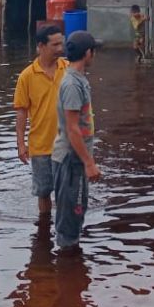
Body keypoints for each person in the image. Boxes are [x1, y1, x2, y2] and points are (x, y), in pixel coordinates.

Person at [52, 30, 104, 251]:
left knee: (77, 210)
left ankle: (71, 271)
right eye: (94, 51)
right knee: (70, 217)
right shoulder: (72, 84)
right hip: (70, 159)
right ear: (88, 53)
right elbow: (73, 129)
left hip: (75, 158)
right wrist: (89, 163)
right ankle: (65, 269)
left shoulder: (78, 79)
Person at [13, 25, 68, 218]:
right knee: (43, 192)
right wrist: (21, 144)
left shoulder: (68, 70)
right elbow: (21, 112)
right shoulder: (27, 76)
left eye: (61, 43)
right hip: (40, 146)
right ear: (41, 46)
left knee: (66, 191)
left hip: (66, 145)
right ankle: (44, 230)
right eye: (55, 44)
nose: (60, 48)